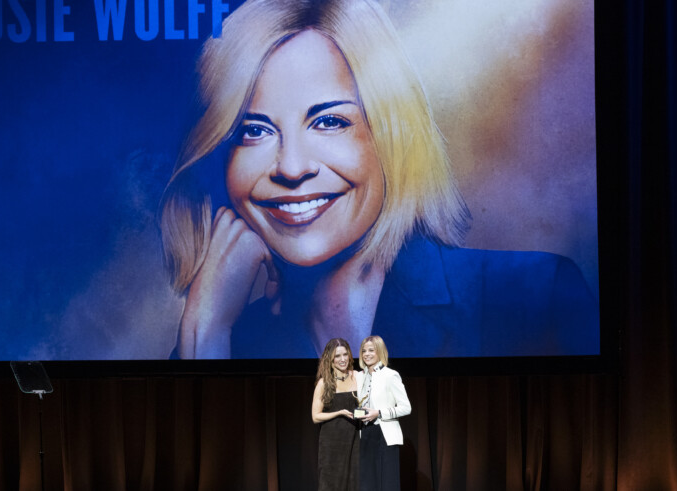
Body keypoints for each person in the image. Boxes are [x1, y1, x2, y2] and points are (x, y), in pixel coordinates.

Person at [160, 0, 599, 359]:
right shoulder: (225, 336)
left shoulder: (535, 301)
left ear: (392, 136)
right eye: (253, 131)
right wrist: (206, 333)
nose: (291, 168)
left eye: (329, 122)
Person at [356, 335, 410, 491]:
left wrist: (379, 413)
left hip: (385, 433)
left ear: (379, 351)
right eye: (364, 350)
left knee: (387, 483)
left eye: (371, 350)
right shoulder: (359, 376)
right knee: (367, 483)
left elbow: (406, 407)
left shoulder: (390, 375)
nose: (367, 354)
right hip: (365, 433)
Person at [311, 338, 361, 490]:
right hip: (332, 441)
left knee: (355, 480)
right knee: (332, 482)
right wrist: (339, 413)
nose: (343, 359)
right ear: (330, 359)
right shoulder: (324, 383)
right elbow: (315, 416)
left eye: (345, 354)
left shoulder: (357, 376)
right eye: (338, 356)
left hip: (355, 438)